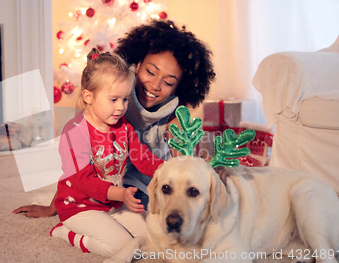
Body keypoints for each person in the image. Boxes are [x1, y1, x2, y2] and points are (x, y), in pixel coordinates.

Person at [13, 19, 215, 217]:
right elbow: (79, 166)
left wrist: (201, 169)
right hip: (114, 183)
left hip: (153, 179)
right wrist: (52, 208)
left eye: (169, 82)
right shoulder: (112, 104)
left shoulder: (174, 116)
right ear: (137, 65)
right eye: (150, 72)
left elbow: (181, 167)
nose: (155, 85)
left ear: (179, 87)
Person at [47, 48, 164, 256]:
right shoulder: (75, 131)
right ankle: (67, 233)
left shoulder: (123, 126)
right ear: (88, 97)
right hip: (80, 208)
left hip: (113, 205)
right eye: (113, 100)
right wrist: (121, 193)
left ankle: (111, 222)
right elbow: (84, 180)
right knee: (119, 247)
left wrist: (169, 170)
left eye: (125, 99)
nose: (121, 107)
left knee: (154, 236)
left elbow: (142, 157)